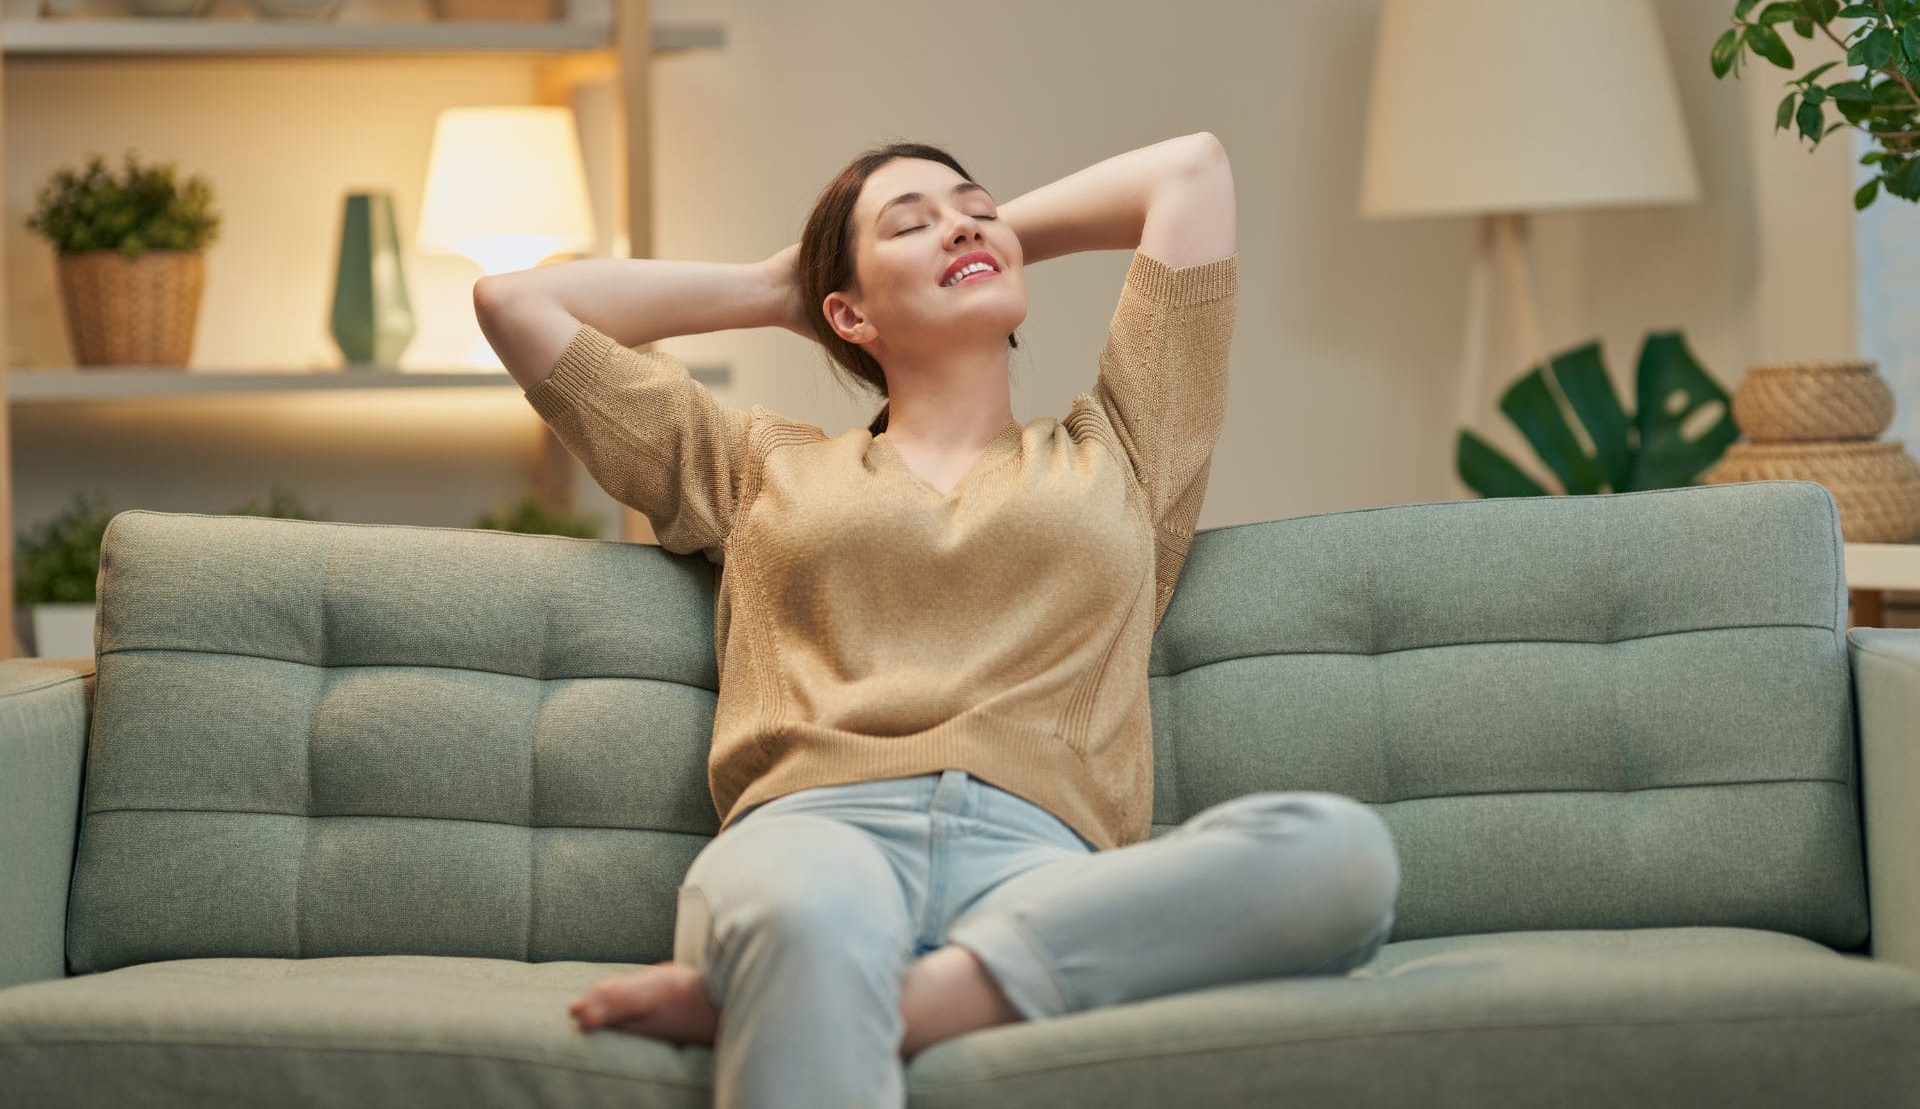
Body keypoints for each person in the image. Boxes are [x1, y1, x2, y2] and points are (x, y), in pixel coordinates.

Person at [473, 133, 1401, 1109]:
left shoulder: (1125, 453)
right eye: (911, 223)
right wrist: (781, 288)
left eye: (977, 209)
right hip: (814, 838)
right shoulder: (754, 469)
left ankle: (820, 1001)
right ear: (846, 314)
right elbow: (517, 304)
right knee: (808, 917)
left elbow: (1191, 172)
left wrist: (972, 242)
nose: (961, 225)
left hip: (1045, 869)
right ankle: (816, 977)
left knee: (1341, 856)